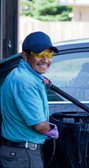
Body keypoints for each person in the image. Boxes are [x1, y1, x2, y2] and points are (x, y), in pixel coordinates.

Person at [0, 31, 59, 168]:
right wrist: (52, 130)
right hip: (23, 156)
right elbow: (39, 126)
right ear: (25, 56)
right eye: (39, 54)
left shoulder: (20, 75)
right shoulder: (25, 82)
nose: (46, 59)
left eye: (49, 54)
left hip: (18, 154)